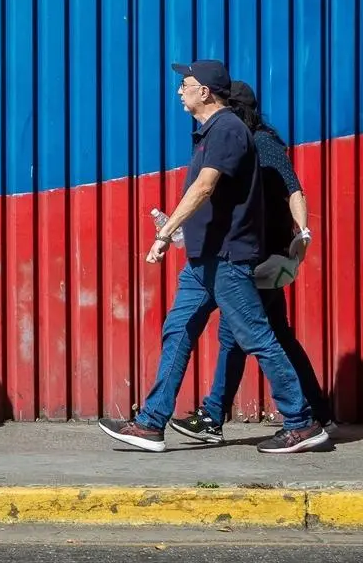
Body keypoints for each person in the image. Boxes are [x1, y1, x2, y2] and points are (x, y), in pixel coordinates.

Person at [98, 59, 330, 455]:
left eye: (185, 84)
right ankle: (151, 423)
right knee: (179, 330)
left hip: (226, 258)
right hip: (203, 257)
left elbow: (206, 187)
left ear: (204, 91)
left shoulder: (228, 129)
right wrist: (181, 229)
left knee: (258, 337)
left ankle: (302, 422)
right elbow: (213, 200)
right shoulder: (211, 132)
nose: (179, 91)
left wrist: (166, 233)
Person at [167, 79, 335, 444]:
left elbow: (293, 188)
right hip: (253, 252)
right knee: (267, 335)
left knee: (247, 336)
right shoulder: (236, 140)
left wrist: (303, 232)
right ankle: (315, 413)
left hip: (262, 255)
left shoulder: (260, 142)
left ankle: (224, 416)